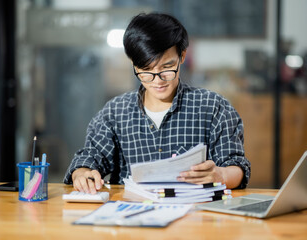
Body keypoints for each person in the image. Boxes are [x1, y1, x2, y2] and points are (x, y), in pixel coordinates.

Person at [64, 12, 251, 194]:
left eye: (167, 67)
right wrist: (82, 174)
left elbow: (237, 167)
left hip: (195, 218)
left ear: (182, 57)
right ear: (134, 64)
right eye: (146, 70)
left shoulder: (214, 107)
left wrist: (221, 175)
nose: (157, 80)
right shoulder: (115, 113)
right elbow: (90, 157)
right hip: (132, 217)